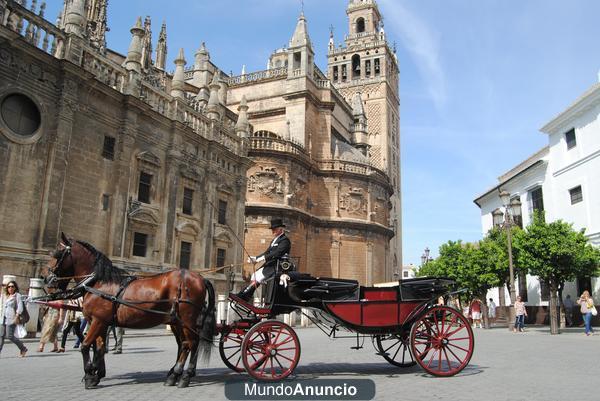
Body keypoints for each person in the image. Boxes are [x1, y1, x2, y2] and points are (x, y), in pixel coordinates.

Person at [236, 218, 291, 301]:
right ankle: (247, 294)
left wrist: (262, 259)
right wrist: (256, 258)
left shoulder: (285, 241)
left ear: (280, 229)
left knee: (258, 276)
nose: (273, 231)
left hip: (277, 266)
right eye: (272, 229)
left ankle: (245, 295)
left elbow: (277, 253)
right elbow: (267, 252)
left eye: (274, 229)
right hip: (270, 264)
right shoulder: (274, 240)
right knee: (255, 275)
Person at [0, 281, 28, 357]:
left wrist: (16, 316)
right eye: (9, 287)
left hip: (11, 318)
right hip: (2, 318)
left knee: (10, 336)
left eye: (12, 286)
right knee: (1, 335)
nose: (10, 288)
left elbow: (20, 307)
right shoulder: (5, 295)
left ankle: (23, 348)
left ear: (15, 287)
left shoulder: (17, 295)